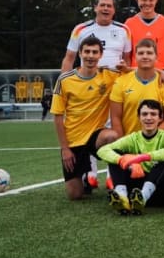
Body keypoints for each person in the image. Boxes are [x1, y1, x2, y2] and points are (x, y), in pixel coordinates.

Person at [51, 36, 122, 200]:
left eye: (94, 52)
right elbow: (57, 117)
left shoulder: (109, 75)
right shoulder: (65, 80)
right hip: (74, 141)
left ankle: (117, 182)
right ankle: (85, 174)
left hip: (96, 136)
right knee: (75, 195)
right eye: (87, 52)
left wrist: (163, 74)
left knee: (112, 136)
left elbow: (135, 72)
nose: (90, 56)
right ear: (80, 54)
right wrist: (65, 149)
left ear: (100, 55)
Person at [97, 99, 164, 214]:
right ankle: (123, 198)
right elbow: (102, 150)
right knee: (116, 154)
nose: (148, 118)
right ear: (139, 117)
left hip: (160, 192)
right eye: (144, 114)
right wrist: (123, 160)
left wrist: (141, 158)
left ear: (160, 118)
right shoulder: (133, 138)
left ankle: (143, 197)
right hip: (135, 191)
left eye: (153, 114)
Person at [108, 39, 164, 141]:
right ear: (135, 57)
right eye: (141, 53)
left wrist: (148, 138)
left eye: (149, 53)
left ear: (156, 57)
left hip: (155, 139)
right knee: (110, 136)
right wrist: (122, 143)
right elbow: (115, 118)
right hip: (130, 140)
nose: (145, 56)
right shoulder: (121, 81)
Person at [61, 0, 132, 71]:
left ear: (114, 10)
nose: (105, 8)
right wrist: (64, 81)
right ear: (95, 8)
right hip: (89, 79)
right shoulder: (80, 29)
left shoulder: (124, 30)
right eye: (102, 5)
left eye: (109, 6)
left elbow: (127, 59)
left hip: (115, 80)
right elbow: (69, 59)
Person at [124, 0, 164, 70]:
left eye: (151, 0)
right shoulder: (129, 24)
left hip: (161, 72)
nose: (147, 3)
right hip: (136, 72)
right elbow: (126, 55)